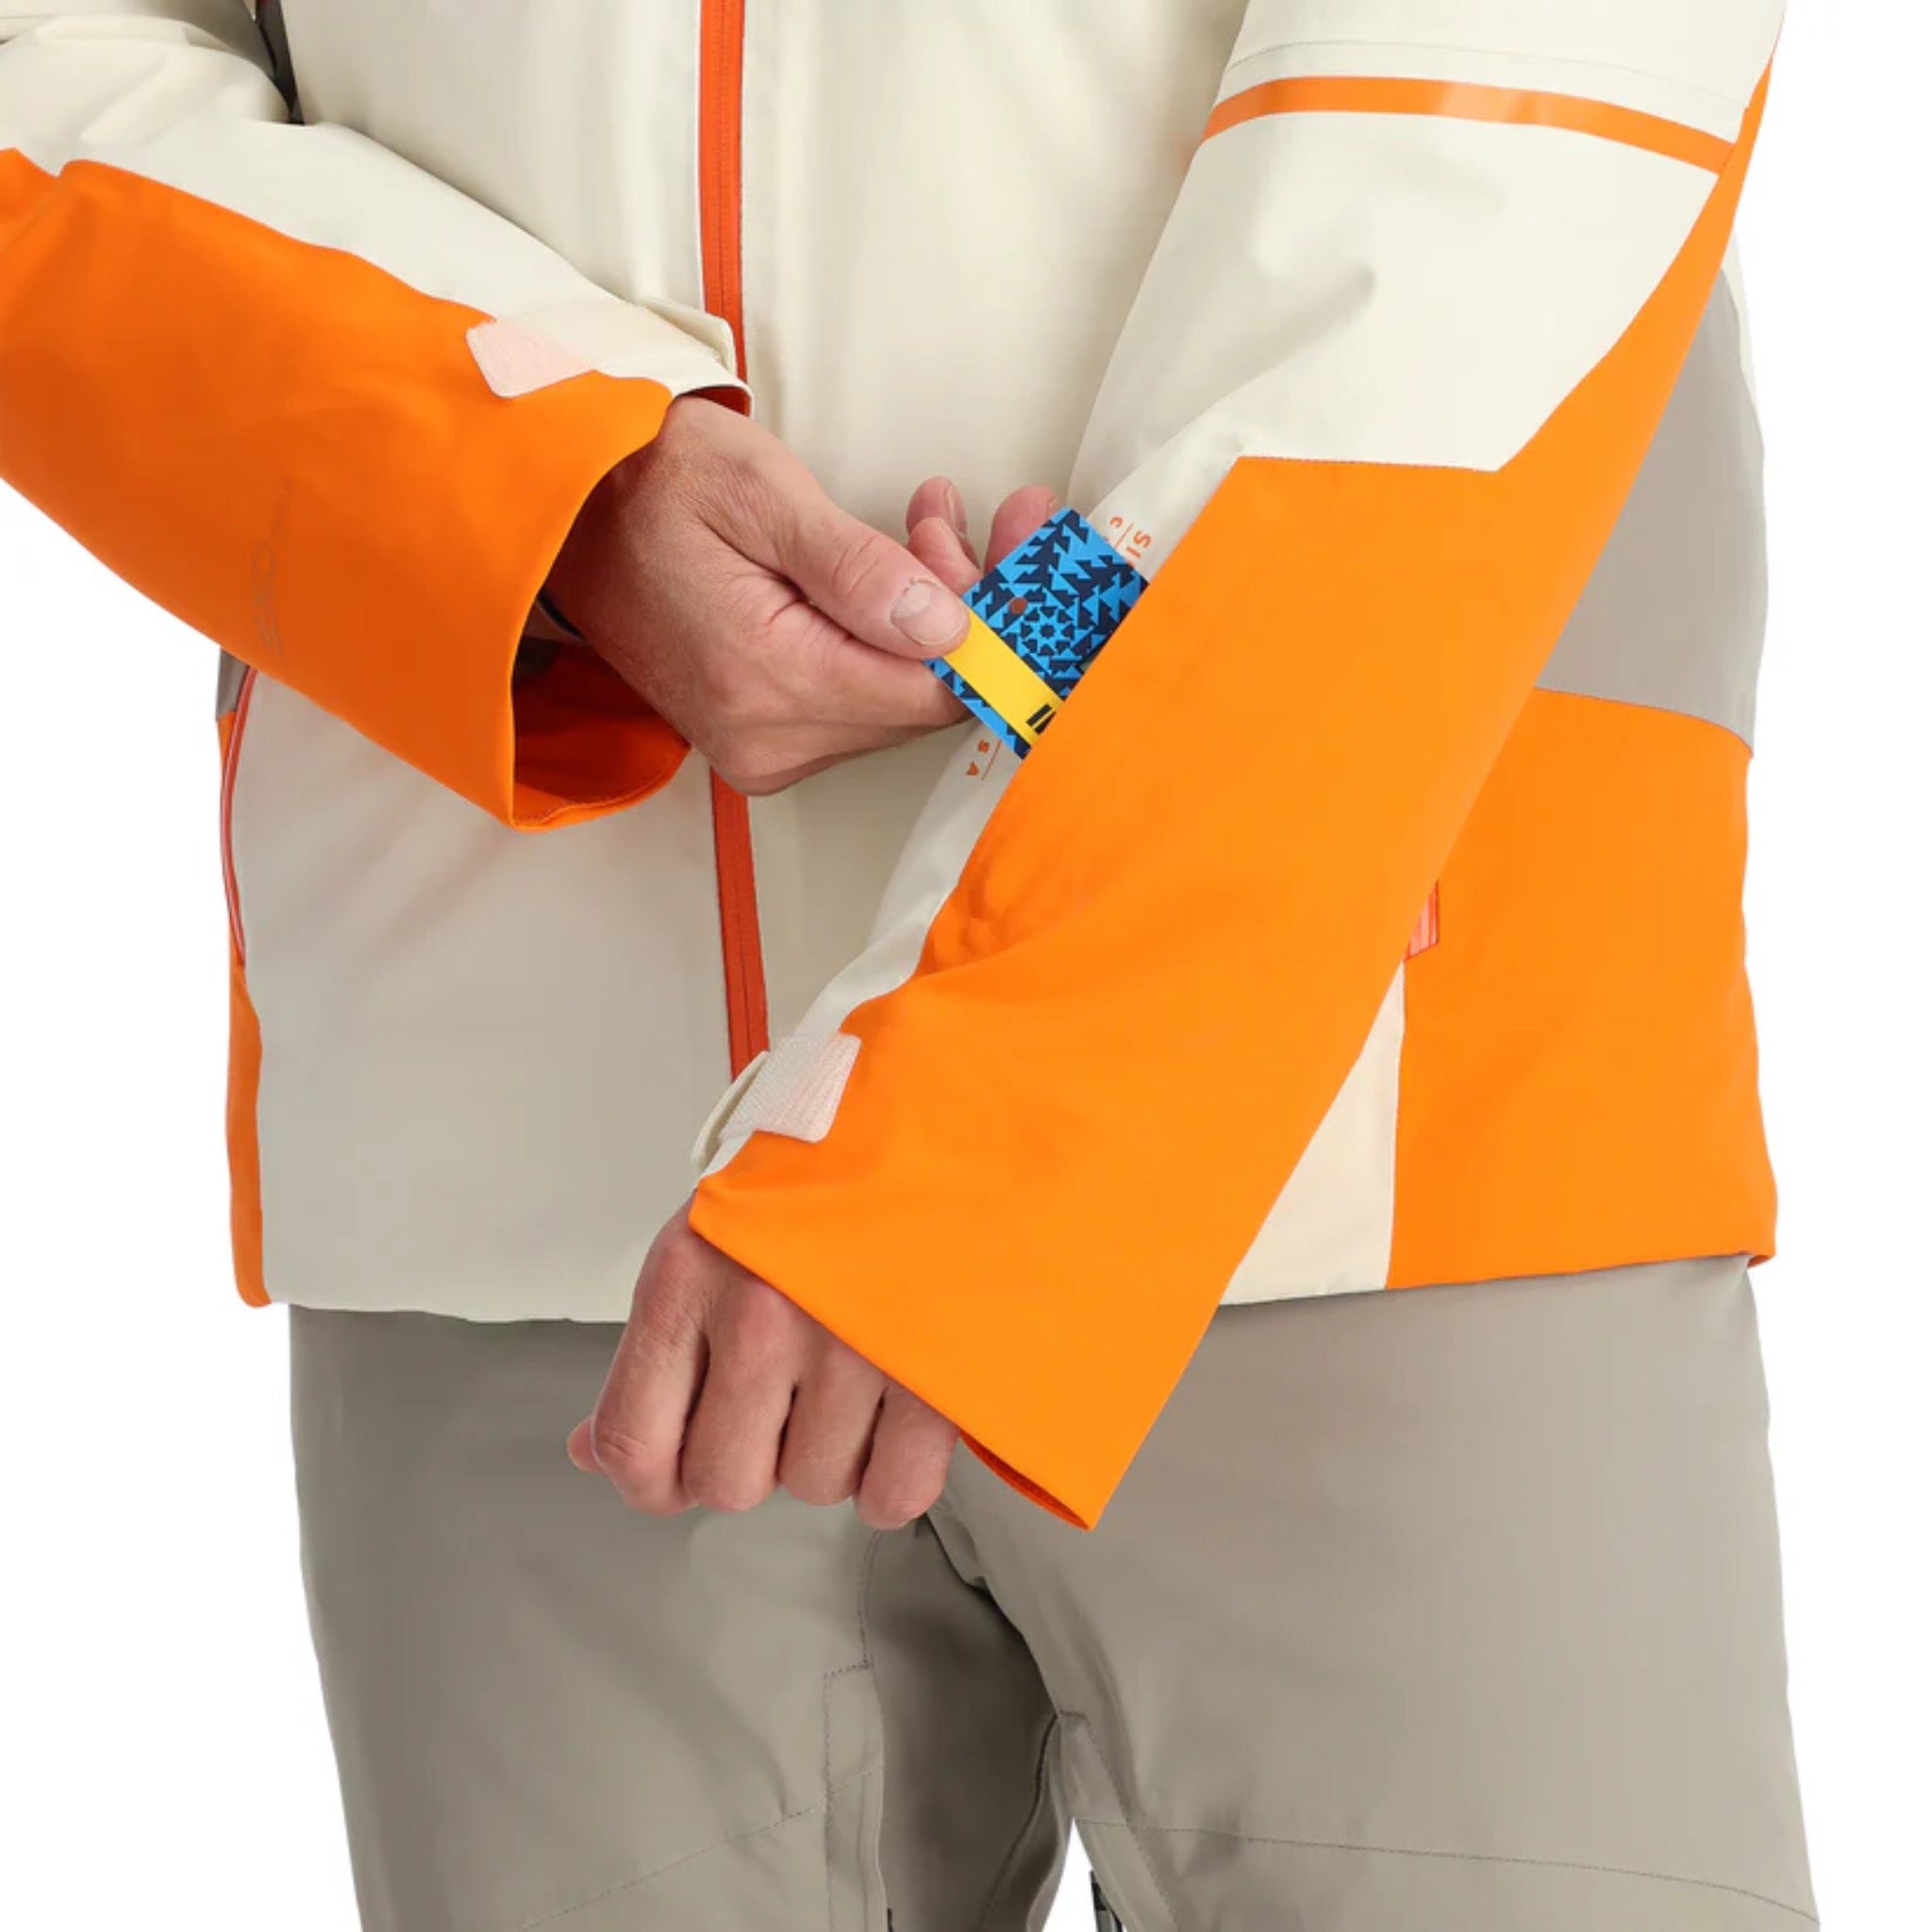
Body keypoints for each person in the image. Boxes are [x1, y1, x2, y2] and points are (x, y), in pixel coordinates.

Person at [0, 3, 1817, 1926]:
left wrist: (988, 1101)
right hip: (526, 1162)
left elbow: (1497, 143)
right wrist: (543, 486)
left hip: (1359, 1098)